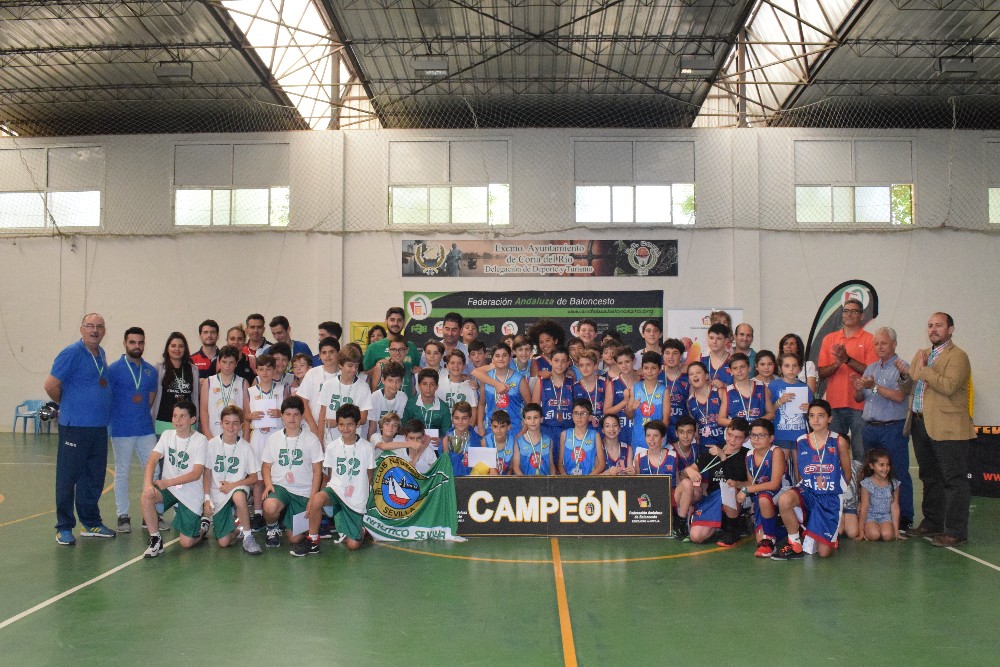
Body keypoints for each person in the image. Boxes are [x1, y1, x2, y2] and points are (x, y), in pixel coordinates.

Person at [905, 312, 976, 547]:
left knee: (954, 480)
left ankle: (956, 531)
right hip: (921, 423)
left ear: (951, 329)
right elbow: (913, 380)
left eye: (939, 325)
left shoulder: (958, 357)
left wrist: (924, 369)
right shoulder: (924, 354)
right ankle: (932, 522)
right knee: (929, 476)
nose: (933, 330)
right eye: (930, 326)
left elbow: (948, 386)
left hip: (949, 428)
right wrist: (912, 373)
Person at [46, 313, 116, 545]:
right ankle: (64, 526)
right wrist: (67, 404)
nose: (94, 330)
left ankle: (91, 522)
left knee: (93, 478)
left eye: (99, 327)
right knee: (68, 478)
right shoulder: (71, 353)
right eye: (90, 326)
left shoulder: (101, 354)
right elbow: (51, 385)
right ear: (81, 329)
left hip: (98, 428)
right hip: (75, 427)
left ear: (104, 331)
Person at [771, 399, 852, 560]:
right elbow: (801, 471)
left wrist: (834, 490)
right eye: (812, 416)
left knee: (823, 554)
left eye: (821, 416)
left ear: (829, 418)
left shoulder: (838, 441)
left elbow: (847, 472)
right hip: (808, 492)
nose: (816, 420)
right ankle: (795, 542)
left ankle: (823, 534)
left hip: (829, 498)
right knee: (785, 500)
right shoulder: (801, 441)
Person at [851, 327, 914, 533]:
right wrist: (858, 388)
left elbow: (899, 397)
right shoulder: (870, 368)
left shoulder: (901, 367)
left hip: (892, 427)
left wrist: (874, 386)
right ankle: (872, 513)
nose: (879, 347)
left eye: (884, 343)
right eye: (876, 343)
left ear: (894, 344)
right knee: (869, 473)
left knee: (898, 472)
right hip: (870, 427)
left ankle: (904, 517)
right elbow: (861, 399)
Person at [292, 404, 374, 556]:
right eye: (341, 424)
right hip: (336, 490)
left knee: (353, 545)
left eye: (350, 424)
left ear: (357, 424)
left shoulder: (367, 448)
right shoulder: (332, 447)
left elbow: (369, 476)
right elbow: (330, 475)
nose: (345, 428)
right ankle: (313, 540)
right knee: (317, 499)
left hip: (356, 498)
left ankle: (361, 529)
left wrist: (359, 495)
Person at [140, 400, 209, 558]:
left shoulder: (200, 440)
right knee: (146, 497)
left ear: (192, 419)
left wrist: (167, 482)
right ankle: (156, 539)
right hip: (170, 490)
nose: (177, 420)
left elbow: (196, 474)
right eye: (175, 416)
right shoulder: (167, 435)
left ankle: (204, 526)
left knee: (186, 543)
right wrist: (148, 484)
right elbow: (152, 460)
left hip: (191, 493)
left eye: (182, 416)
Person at [107, 326, 159, 533]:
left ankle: (152, 515)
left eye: (140, 342)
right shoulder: (113, 369)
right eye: (132, 342)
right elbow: (108, 398)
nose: (137, 346)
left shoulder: (150, 370)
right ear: (125, 343)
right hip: (121, 430)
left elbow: (150, 398)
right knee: (122, 473)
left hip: (145, 429)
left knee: (154, 471)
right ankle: (123, 515)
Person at [817, 298, 877, 460]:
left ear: (862, 316)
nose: (849, 314)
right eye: (846, 311)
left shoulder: (870, 340)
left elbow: (871, 373)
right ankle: (839, 485)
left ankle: (860, 486)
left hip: (860, 405)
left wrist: (847, 360)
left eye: (854, 311)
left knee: (861, 453)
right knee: (835, 453)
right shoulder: (829, 339)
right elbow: (822, 372)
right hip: (834, 405)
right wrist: (837, 363)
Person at [261, 396, 324, 548]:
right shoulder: (273, 439)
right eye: (288, 414)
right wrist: (268, 484)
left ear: (302, 416)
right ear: (282, 416)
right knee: (269, 506)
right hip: (280, 487)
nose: (292, 418)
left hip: (302, 492)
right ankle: (272, 527)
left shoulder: (311, 439)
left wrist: (312, 497)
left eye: (296, 414)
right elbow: (266, 466)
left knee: (295, 539)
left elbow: (317, 471)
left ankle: (288, 517)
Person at [675, 418, 750, 545]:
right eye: (730, 435)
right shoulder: (713, 450)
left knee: (728, 488)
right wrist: (690, 471)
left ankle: (733, 529)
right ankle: (720, 525)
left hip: (735, 499)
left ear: (746, 439)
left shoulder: (747, 455)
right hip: (712, 499)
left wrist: (723, 457)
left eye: (738, 438)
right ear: (726, 433)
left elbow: (749, 483)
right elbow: (687, 472)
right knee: (696, 537)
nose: (732, 440)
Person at [203, 406, 262, 555]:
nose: (231, 426)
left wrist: (233, 485)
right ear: (221, 423)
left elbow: (254, 477)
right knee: (223, 542)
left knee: (239, 497)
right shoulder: (212, 445)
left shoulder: (246, 447)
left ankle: (248, 537)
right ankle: (238, 529)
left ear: (241, 425)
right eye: (227, 422)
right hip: (218, 492)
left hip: (237, 487)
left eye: (235, 423)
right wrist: (207, 498)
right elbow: (207, 473)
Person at [732, 418, 786, 558]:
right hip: (762, 496)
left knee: (763, 498)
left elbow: (774, 484)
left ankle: (770, 541)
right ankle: (784, 529)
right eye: (753, 435)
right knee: (759, 540)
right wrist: (738, 484)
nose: (756, 439)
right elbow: (752, 484)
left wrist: (746, 490)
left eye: (761, 435)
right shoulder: (749, 455)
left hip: (781, 492)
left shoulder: (776, 452)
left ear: (771, 438)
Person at [247, 354, 285, 529]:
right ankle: (258, 513)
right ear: (256, 371)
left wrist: (280, 414)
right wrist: (251, 416)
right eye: (261, 369)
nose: (265, 372)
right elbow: (245, 415)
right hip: (258, 437)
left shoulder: (282, 389)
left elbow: (291, 414)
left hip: (277, 436)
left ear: (274, 370)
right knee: (258, 478)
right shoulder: (251, 391)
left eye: (269, 369)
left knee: (277, 475)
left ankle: (278, 511)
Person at [316, 344, 372, 445]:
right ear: (340, 365)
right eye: (350, 366)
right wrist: (320, 441)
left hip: (353, 442)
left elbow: (363, 418)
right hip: (330, 440)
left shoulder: (363, 387)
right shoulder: (328, 385)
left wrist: (338, 423)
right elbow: (322, 416)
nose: (354, 369)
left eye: (356, 366)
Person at [770, 353, 812, 485]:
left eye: (794, 366)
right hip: (781, 434)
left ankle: (801, 497)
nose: (791, 369)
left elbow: (813, 413)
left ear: (799, 369)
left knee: (801, 470)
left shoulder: (804, 387)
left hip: (800, 434)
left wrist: (809, 409)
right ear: (780, 368)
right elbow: (768, 411)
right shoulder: (773, 386)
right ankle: (779, 498)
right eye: (787, 366)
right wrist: (779, 402)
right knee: (780, 470)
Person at [474, 343, 530, 437]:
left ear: (510, 358)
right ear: (492, 359)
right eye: (497, 356)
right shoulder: (486, 378)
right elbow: (482, 404)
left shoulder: (519, 379)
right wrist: (480, 426)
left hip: (514, 430)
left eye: (504, 355)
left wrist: (524, 429)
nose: (501, 359)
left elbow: (529, 407)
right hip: (491, 430)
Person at [151, 332, 200, 435]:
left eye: (181, 346)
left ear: (185, 349)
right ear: (167, 348)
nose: (177, 349)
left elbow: (195, 397)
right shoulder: (158, 369)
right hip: (162, 423)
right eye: (173, 346)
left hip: (187, 424)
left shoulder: (193, 370)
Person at [200, 345, 249, 438]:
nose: (227, 366)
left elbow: (247, 412)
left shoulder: (243, 383)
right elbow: (204, 410)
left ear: (236, 363)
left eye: (231, 362)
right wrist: (208, 435)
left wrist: (246, 438)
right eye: (224, 362)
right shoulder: (209, 382)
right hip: (213, 434)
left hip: (237, 436)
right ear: (218, 361)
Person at [296, 336, 340, 437]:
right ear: (319, 355)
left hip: (337, 428)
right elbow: (303, 401)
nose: (327, 356)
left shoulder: (343, 375)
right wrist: (312, 426)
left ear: (338, 353)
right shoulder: (312, 373)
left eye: (331, 352)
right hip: (312, 427)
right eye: (324, 352)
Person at [855, 447, 903, 542]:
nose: (885, 468)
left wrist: (896, 531)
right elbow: (864, 507)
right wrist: (860, 531)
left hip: (886, 516)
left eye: (887, 465)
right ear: (872, 466)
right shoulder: (867, 484)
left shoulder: (894, 484)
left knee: (887, 535)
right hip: (871, 515)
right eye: (881, 465)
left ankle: (887, 529)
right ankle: (867, 527)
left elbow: (895, 507)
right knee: (874, 535)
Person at [403, 369, 452, 453]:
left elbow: (447, 432)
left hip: (435, 449)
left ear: (436, 386)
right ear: (419, 386)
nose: (428, 388)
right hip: (413, 448)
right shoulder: (411, 404)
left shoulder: (443, 407)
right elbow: (404, 427)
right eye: (424, 384)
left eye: (432, 384)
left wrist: (440, 440)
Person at [532, 346, 574, 444]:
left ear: (568, 363)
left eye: (563, 361)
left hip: (568, 429)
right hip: (546, 429)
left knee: (564, 459)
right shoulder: (541, 381)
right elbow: (534, 408)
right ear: (550, 361)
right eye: (556, 360)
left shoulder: (572, 382)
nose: (560, 364)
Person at [627, 351, 666, 448]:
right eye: (646, 368)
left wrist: (659, 437)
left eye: (653, 368)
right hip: (639, 439)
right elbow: (629, 415)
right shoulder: (635, 388)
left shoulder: (664, 390)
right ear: (642, 368)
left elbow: (666, 419)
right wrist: (632, 408)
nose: (649, 371)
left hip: (657, 442)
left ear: (660, 369)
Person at [363, 307, 419, 372]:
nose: (395, 323)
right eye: (392, 320)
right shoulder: (373, 348)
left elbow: (417, 371)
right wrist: (378, 367)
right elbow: (364, 376)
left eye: (399, 320)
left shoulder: (411, 346)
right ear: (386, 321)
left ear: (404, 322)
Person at [558, 399, 605, 475]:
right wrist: (565, 478)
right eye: (576, 413)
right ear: (572, 416)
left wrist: (587, 479)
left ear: (590, 417)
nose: (579, 417)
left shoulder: (595, 435)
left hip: (588, 480)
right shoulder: (565, 434)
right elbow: (560, 462)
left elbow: (601, 464)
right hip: (568, 480)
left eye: (583, 413)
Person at [686, 362, 725, 449]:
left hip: (725, 445)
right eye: (691, 374)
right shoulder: (690, 402)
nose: (695, 376)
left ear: (706, 376)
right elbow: (695, 425)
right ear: (689, 380)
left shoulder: (719, 392)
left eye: (698, 373)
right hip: (705, 447)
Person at [368, 361, 409, 440]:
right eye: (390, 380)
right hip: (378, 438)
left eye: (398, 381)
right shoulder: (374, 397)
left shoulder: (403, 397)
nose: (394, 385)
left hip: (394, 438)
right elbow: (372, 427)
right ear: (383, 380)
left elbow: (399, 425)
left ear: (402, 382)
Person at [511, 403, 553, 476]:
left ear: (541, 419)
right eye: (529, 418)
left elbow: (551, 465)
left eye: (536, 417)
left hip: (545, 483)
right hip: (526, 483)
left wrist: (552, 481)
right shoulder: (519, 442)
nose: (532, 421)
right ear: (524, 421)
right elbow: (516, 467)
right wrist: (525, 483)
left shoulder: (548, 440)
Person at [442, 401, 482, 477]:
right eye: (456, 418)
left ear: (470, 418)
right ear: (452, 418)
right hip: (451, 480)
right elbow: (444, 466)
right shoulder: (446, 439)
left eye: (464, 418)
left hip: (472, 480)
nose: (460, 422)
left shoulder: (479, 440)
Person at [571, 349, 606, 428]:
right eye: (581, 365)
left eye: (588, 365)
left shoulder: (605, 383)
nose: (585, 368)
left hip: (604, 427)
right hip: (585, 428)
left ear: (595, 366)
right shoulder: (575, 387)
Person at [701, 323, 733, 390]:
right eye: (711, 338)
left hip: (727, 399)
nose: (714, 341)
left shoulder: (733, 361)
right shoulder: (701, 359)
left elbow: (741, 387)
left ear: (726, 341)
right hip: (705, 399)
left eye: (718, 338)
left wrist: (725, 386)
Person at [485, 410, 516, 475]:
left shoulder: (513, 442)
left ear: (508, 427)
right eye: (495, 427)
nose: (498, 431)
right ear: (491, 427)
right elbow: (485, 468)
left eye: (502, 426)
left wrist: (505, 482)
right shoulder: (485, 441)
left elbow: (511, 469)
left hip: (507, 479)